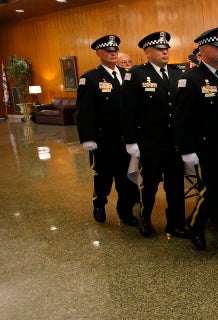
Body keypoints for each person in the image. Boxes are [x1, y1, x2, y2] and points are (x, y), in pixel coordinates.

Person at [173, 27, 218, 252]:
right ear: (203, 50)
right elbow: (181, 118)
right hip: (206, 147)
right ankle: (196, 226)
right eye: (217, 47)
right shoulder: (191, 79)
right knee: (212, 191)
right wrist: (186, 149)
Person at [121, 31, 190, 238]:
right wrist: (130, 140)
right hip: (149, 142)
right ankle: (145, 218)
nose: (165, 52)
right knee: (149, 185)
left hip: (173, 143)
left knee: (176, 185)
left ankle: (175, 223)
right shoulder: (136, 75)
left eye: (166, 48)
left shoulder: (178, 74)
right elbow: (127, 111)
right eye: (160, 49)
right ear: (147, 52)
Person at [76, 35, 139, 227]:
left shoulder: (127, 74)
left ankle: (125, 212)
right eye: (108, 51)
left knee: (126, 179)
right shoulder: (90, 78)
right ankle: (99, 204)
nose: (113, 54)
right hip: (103, 139)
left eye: (115, 51)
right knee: (103, 176)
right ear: (99, 54)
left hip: (125, 138)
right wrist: (87, 138)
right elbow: (84, 111)